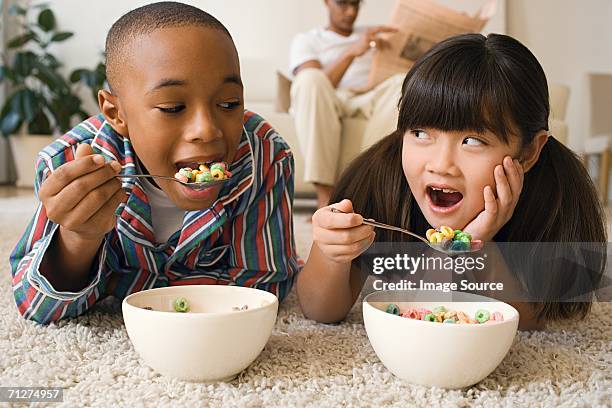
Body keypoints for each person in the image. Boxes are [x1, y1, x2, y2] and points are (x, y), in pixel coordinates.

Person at [10, 2, 300, 324]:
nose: (206, 130)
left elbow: (265, 285)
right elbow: (36, 308)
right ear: (115, 113)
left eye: (229, 103)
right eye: (173, 107)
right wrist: (80, 238)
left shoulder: (263, 157)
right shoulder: (70, 165)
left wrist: (125, 287)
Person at [296, 33, 607, 330]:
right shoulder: (377, 177)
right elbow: (321, 310)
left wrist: (472, 246)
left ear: (527, 152)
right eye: (420, 134)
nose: (441, 165)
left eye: (472, 140)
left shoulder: (554, 195)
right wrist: (329, 250)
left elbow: (532, 322)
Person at [289, 0, 403, 208]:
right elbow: (316, 83)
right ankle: (326, 197)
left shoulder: (374, 36)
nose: (350, 12)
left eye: (355, 5)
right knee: (310, 78)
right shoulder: (307, 40)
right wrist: (352, 52)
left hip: (370, 97)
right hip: (332, 97)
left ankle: (372, 188)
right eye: (342, 4)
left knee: (402, 82)